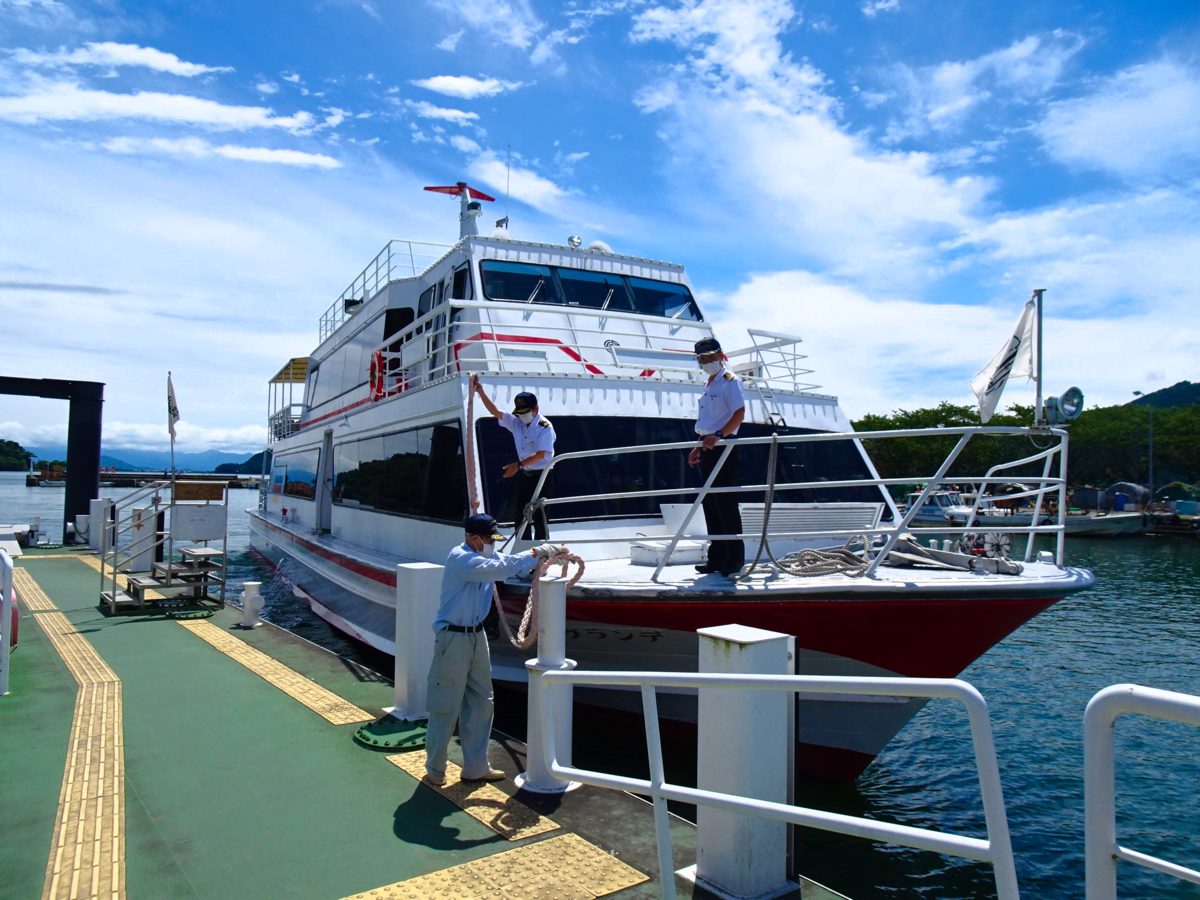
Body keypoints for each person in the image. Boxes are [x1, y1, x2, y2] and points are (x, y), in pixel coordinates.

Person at [423, 513, 562, 786]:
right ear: (473, 539)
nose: (492, 544)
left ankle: (475, 767)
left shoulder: (485, 558)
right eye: (488, 539)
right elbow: (504, 568)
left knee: (482, 702)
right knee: (445, 706)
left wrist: (540, 558)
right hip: (453, 639)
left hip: (476, 636)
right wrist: (538, 551)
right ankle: (435, 769)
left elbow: (508, 565)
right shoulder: (461, 559)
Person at [472, 375, 556, 540]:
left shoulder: (545, 427)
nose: (522, 416)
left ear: (535, 409)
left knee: (540, 515)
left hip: (542, 475)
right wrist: (480, 391)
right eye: (520, 413)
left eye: (526, 412)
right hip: (525, 474)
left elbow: (542, 454)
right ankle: (523, 552)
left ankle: (542, 555)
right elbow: (495, 412)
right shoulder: (517, 423)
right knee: (521, 514)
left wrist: (517, 466)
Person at [688, 336, 746, 577]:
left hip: (724, 447)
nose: (707, 362)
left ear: (721, 356)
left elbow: (739, 413)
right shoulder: (709, 383)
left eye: (711, 357)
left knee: (725, 503)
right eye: (702, 358)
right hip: (709, 447)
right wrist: (698, 446)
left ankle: (734, 560)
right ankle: (717, 558)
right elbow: (708, 422)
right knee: (710, 504)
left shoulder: (730, 381)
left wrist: (720, 435)